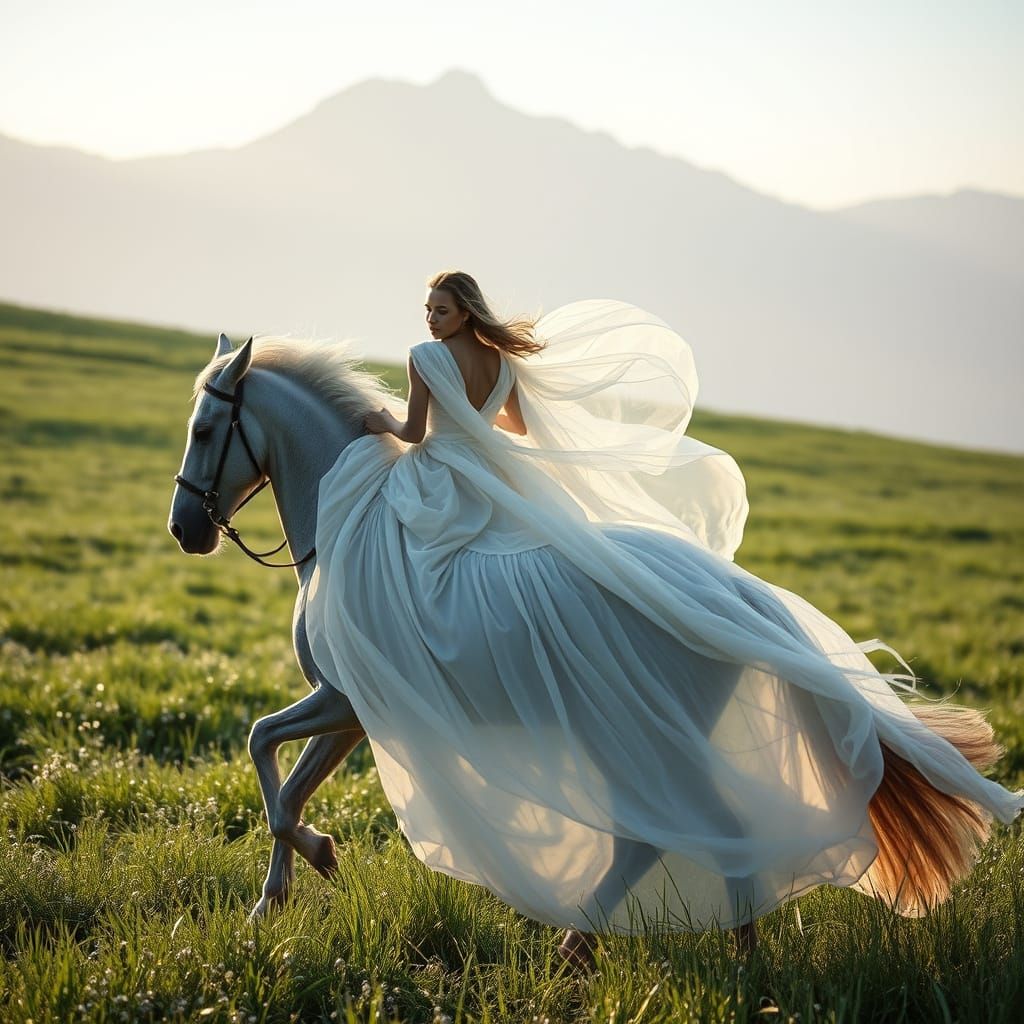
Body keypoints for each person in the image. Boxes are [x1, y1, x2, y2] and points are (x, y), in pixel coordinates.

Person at [304, 269, 1023, 972]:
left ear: (464, 311)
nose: (430, 319)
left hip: (444, 493)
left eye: (440, 308)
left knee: (414, 570)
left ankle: (414, 660)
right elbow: (517, 428)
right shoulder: (502, 364)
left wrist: (379, 424)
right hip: (493, 489)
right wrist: (481, 436)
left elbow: (414, 432)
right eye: (427, 310)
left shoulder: (424, 359)